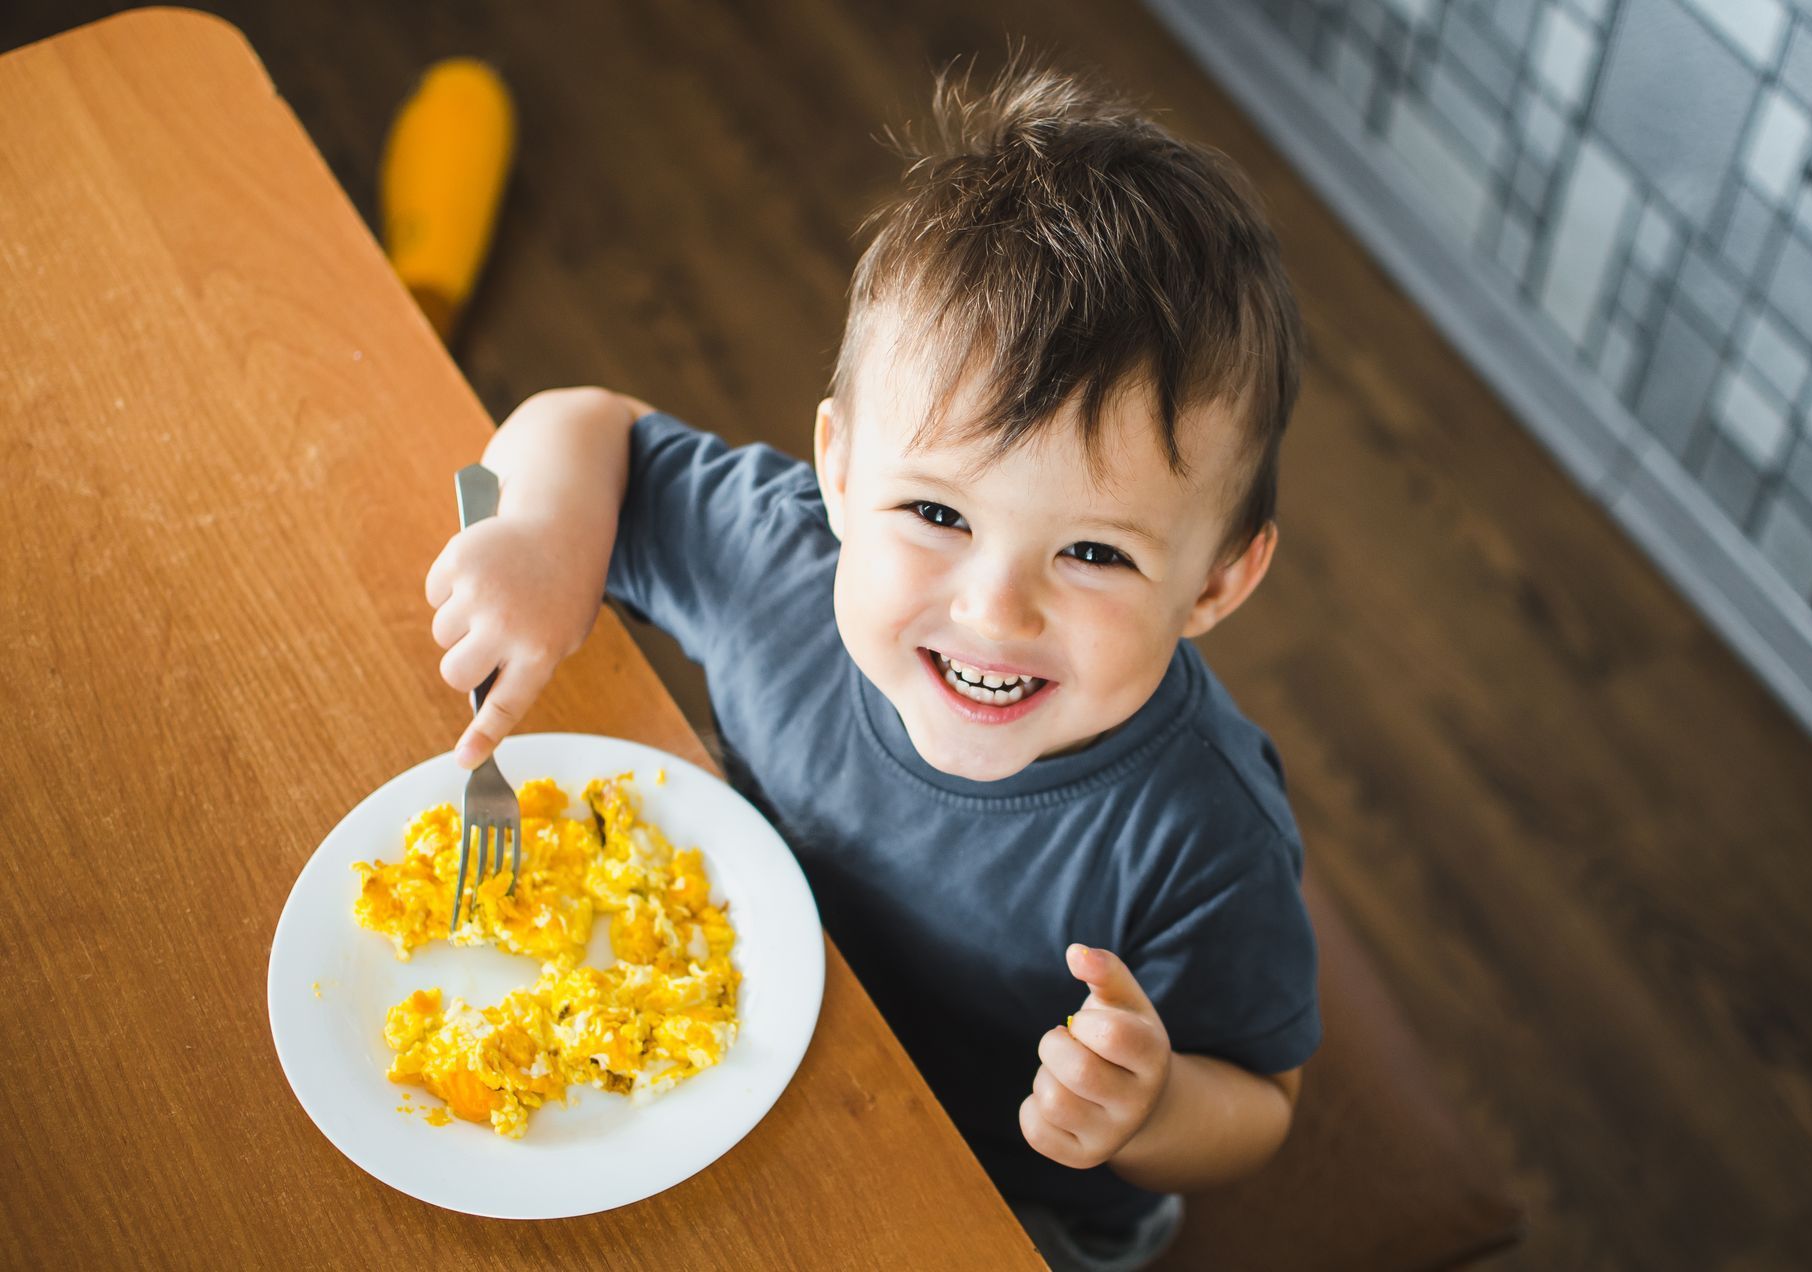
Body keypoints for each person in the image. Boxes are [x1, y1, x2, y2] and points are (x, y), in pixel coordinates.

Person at [424, 55, 1317, 1271]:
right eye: (939, 515)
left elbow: (1263, 1100)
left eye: (1095, 551)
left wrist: (1149, 1112)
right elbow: (588, 425)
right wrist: (533, 535)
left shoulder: (1204, 835)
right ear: (839, 471)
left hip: (1002, 1195)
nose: (995, 608)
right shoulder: (784, 564)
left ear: (1216, 582)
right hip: (729, 1042)